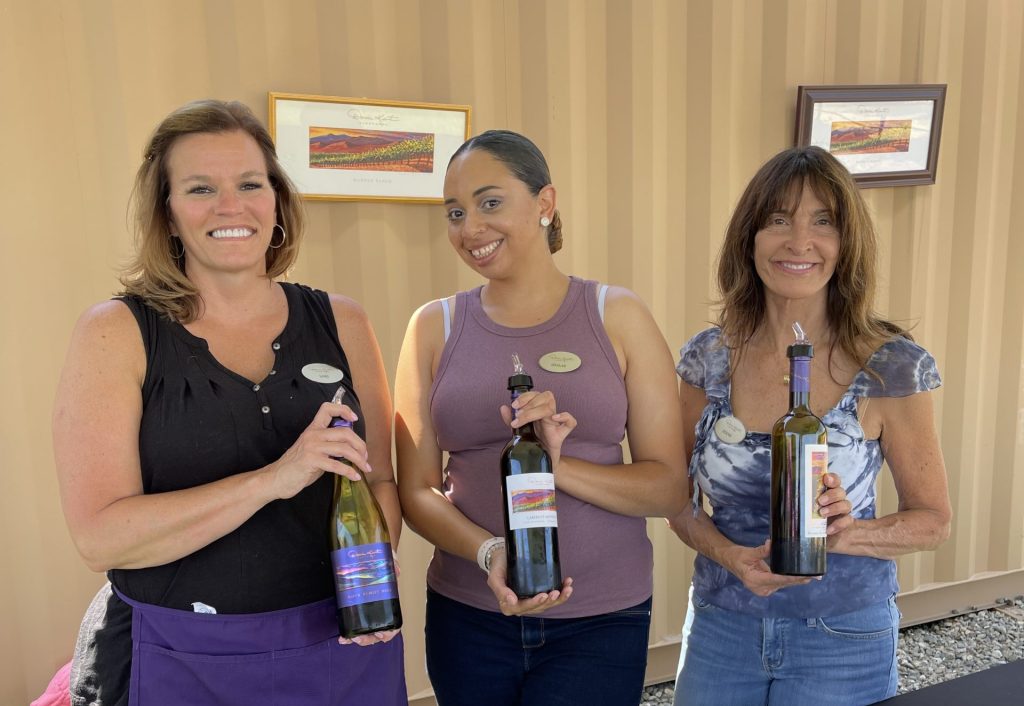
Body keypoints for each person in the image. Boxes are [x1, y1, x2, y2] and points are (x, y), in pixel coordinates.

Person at [53, 99, 407, 706]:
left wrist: (369, 590)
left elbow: (377, 484)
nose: (230, 206)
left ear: (276, 201)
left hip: (339, 650)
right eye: (199, 188)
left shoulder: (343, 321)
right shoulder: (116, 333)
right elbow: (101, 539)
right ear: (166, 212)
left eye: (250, 183)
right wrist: (275, 478)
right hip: (176, 656)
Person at [394, 130, 687, 706]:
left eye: (490, 201)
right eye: (455, 211)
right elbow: (417, 491)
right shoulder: (433, 327)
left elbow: (668, 486)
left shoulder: (617, 316)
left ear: (545, 203)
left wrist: (558, 466)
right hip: (469, 616)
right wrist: (490, 553)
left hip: (601, 620)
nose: (470, 226)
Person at [668, 146, 953, 706]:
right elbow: (675, 499)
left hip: (843, 635)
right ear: (749, 239)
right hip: (721, 626)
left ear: (846, 244)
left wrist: (851, 533)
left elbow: (933, 520)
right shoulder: (707, 360)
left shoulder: (890, 365)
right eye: (778, 220)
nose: (799, 241)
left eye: (823, 221)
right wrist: (735, 560)